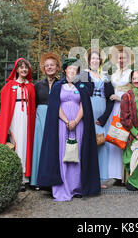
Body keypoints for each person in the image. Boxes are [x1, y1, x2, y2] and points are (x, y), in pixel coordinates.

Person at [36, 58, 100, 201]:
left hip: (79, 123)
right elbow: (55, 106)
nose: (72, 70)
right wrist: (66, 121)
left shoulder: (82, 86)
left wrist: (76, 121)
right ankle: (62, 187)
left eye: (75, 69)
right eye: (69, 68)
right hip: (61, 124)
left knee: (77, 154)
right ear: (65, 70)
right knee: (63, 154)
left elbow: (85, 105)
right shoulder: (58, 86)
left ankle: (77, 187)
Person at [0, 58, 36, 191]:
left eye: (26, 67)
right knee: (15, 143)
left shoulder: (30, 86)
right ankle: (14, 177)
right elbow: (5, 107)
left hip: (27, 118)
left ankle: (24, 177)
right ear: (16, 70)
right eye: (21, 67)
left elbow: (33, 105)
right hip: (14, 117)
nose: (24, 70)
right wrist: (6, 125)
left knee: (25, 144)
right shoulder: (9, 86)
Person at [80, 48, 115, 189]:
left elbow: (111, 98)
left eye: (97, 58)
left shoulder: (105, 76)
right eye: (92, 58)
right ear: (88, 61)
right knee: (88, 143)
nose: (95, 60)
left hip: (102, 112)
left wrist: (105, 117)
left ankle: (100, 178)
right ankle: (87, 177)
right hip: (89, 108)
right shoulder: (83, 75)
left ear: (101, 61)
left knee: (102, 143)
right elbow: (81, 95)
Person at [30, 52, 61, 190]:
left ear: (57, 67)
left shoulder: (62, 83)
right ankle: (38, 180)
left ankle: (54, 179)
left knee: (55, 146)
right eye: (47, 65)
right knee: (40, 146)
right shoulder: (38, 85)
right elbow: (34, 104)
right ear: (44, 68)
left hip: (57, 115)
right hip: (41, 117)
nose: (49, 67)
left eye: (52, 65)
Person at [107, 44, 133, 185]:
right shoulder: (114, 74)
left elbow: (132, 92)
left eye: (123, 57)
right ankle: (116, 174)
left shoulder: (130, 73)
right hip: (114, 108)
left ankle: (127, 174)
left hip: (125, 106)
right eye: (119, 57)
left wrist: (120, 97)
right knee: (115, 136)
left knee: (125, 137)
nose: (121, 60)